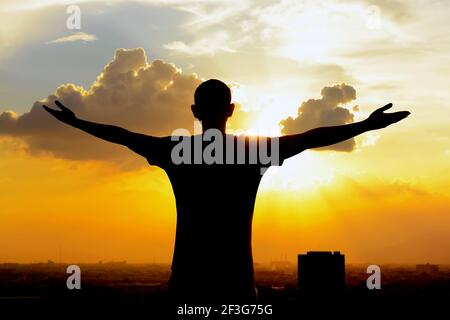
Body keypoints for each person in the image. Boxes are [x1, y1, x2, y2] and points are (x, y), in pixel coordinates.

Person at [43, 79, 410, 303]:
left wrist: (78, 124)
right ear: (231, 110)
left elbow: (122, 136)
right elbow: (313, 138)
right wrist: (364, 125)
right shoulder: (250, 152)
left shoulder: (176, 151)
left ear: (194, 110)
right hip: (237, 287)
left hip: (187, 286)